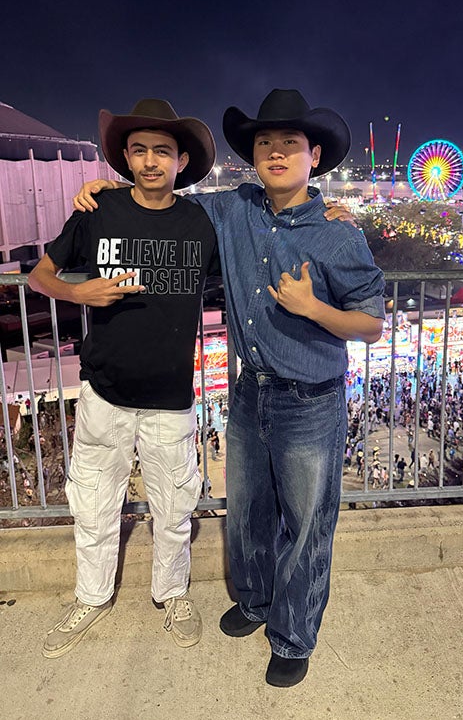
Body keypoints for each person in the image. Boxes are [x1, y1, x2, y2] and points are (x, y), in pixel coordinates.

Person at [74, 88, 385, 688]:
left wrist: (314, 308)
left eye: (289, 142)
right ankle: (256, 602)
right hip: (250, 395)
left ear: (314, 155)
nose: (276, 152)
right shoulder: (232, 208)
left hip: (310, 401)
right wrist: (110, 190)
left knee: (306, 526)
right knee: (248, 515)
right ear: (253, 154)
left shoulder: (339, 235)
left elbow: (371, 324)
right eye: (265, 142)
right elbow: (163, 201)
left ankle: (293, 635)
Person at [29, 99, 219, 657]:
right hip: (104, 392)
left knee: (175, 509)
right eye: (139, 151)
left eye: (162, 151)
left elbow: (263, 223)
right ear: (126, 158)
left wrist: (329, 210)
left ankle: (172, 593)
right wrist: (79, 291)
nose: (150, 161)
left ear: (182, 160)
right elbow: (41, 274)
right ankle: (91, 597)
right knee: (93, 504)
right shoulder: (98, 212)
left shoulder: (201, 222)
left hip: (170, 397)